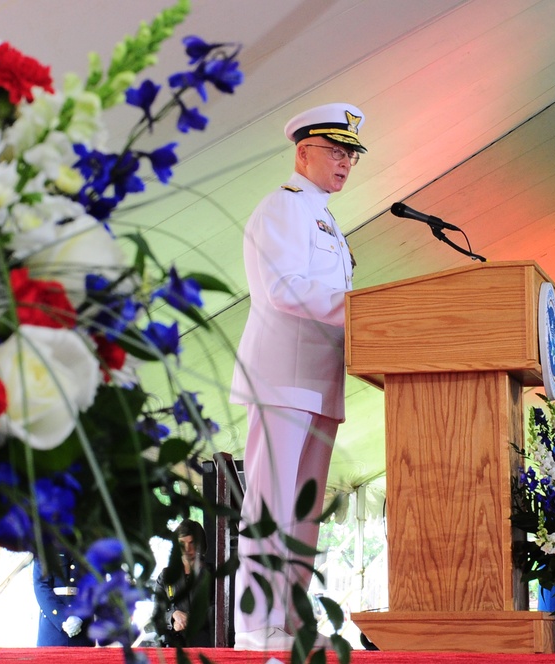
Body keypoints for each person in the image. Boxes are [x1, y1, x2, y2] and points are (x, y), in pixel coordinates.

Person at [229, 102, 366, 650]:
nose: (345, 163)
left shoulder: (326, 218)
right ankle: (256, 628)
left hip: (319, 380)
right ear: (302, 151)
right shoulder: (281, 208)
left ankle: (287, 622)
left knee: (303, 512)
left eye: (351, 154)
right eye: (335, 151)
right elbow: (281, 288)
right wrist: (360, 307)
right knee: (272, 503)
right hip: (282, 377)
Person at [151, 519, 214, 647]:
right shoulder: (166, 576)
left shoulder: (211, 573)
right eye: (182, 543)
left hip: (204, 642)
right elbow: (157, 612)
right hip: (173, 643)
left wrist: (192, 619)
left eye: (191, 543)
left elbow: (220, 610)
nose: (187, 549)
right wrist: (173, 616)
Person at [33, 551, 94, 646]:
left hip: (83, 628)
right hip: (53, 628)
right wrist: (62, 618)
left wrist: (80, 616)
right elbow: (41, 586)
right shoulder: (45, 548)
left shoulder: (89, 548)